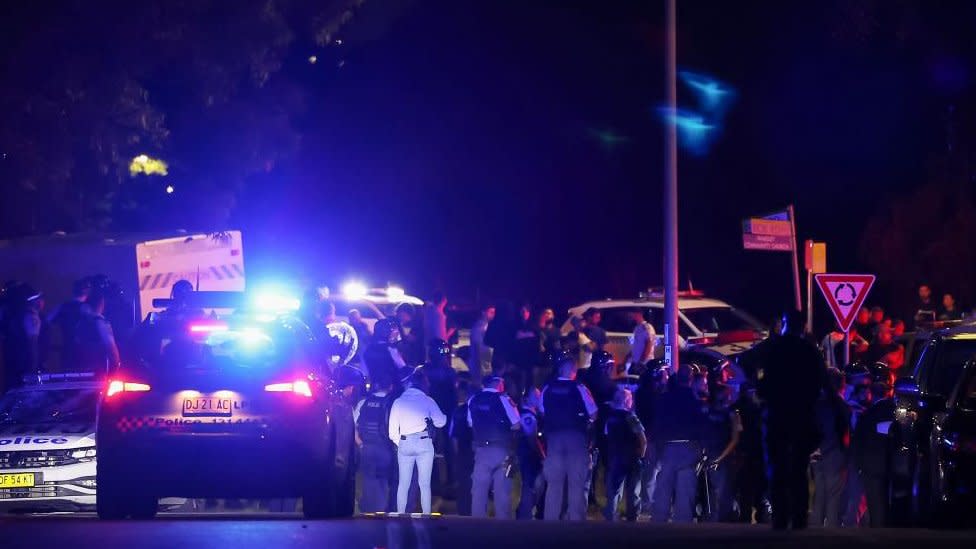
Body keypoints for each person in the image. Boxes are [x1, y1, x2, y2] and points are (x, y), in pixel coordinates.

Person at [755, 309, 825, 530]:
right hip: (801, 415)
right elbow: (822, 381)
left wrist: (761, 391)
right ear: (803, 326)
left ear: (786, 324)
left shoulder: (774, 348)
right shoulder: (809, 350)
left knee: (777, 467)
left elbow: (753, 369)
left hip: (777, 414)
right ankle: (798, 517)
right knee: (798, 469)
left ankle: (781, 516)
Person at [540, 352, 599, 521]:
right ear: (572, 369)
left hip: (554, 439)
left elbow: (542, 411)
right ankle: (576, 521)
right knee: (576, 482)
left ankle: (550, 520)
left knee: (554, 483)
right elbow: (594, 414)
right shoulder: (579, 388)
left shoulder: (547, 388)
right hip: (576, 439)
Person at [651, 364, 708, 523]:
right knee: (686, 487)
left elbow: (657, 423)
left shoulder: (665, 398)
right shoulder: (695, 400)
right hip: (689, 447)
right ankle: (683, 522)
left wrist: (656, 445)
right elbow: (702, 425)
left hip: (668, 446)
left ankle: (659, 519)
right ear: (691, 379)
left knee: (664, 486)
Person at [388, 370, 447, 515]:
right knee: (424, 484)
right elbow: (441, 422)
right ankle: (426, 515)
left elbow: (392, 432)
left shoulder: (398, 402)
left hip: (405, 442)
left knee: (403, 484)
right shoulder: (428, 400)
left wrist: (401, 442)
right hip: (423, 442)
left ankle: (400, 514)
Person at [468, 375, 521, 519]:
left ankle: (477, 525)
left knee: (479, 490)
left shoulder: (473, 399)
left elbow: (471, 424)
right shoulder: (504, 399)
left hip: (481, 450)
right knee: (502, 490)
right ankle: (502, 528)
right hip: (501, 450)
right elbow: (516, 424)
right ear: (498, 383)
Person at [811, 368, 851, 528]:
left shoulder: (816, 403)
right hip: (834, 453)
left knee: (819, 492)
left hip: (817, 453)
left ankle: (815, 529)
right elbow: (843, 431)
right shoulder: (840, 405)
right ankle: (831, 534)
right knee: (833, 495)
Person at [853, 382, 895, 528]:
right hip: (892, 464)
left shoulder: (869, 414)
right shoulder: (894, 413)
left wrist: (858, 464)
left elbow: (858, 441)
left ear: (872, 394)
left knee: (875, 501)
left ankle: (878, 531)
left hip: (871, 466)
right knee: (887, 500)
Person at [355, 372, 397, 513]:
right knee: (383, 480)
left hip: (366, 447)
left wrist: (360, 444)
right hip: (385, 448)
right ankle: (380, 512)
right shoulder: (393, 404)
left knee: (368, 480)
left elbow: (353, 426)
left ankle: (368, 510)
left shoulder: (363, 402)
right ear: (390, 387)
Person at [603, 387, 647, 522]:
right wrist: (642, 454)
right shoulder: (630, 416)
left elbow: (606, 436)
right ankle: (632, 517)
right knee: (633, 489)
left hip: (615, 457)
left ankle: (611, 515)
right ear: (627, 400)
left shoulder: (610, 418)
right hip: (632, 457)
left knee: (614, 490)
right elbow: (642, 439)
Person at [704, 383, 742, 522]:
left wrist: (720, 458)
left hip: (724, 457)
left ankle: (725, 519)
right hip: (711, 455)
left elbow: (735, 439)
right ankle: (716, 519)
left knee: (723, 490)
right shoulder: (710, 412)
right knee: (714, 491)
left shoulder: (732, 414)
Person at [47, 277, 92, 370]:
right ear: (86, 291)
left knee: (67, 376)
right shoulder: (87, 308)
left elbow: (47, 321)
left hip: (66, 348)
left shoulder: (62, 306)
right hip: (83, 350)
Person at [516, 387, 546, 520]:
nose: (539, 399)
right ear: (527, 398)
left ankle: (526, 513)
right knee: (531, 485)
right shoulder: (528, 416)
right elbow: (531, 439)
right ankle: (524, 515)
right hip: (529, 456)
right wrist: (541, 456)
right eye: (536, 396)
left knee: (535, 484)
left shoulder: (531, 414)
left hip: (527, 455)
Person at [74, 288, 121, 373]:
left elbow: (77, 344)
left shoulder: (80, 323)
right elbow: (110, 346)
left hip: (82, 369)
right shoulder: (101, 323)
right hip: (100, 370)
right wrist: (116, 365)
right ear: (101, 304)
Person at [449, 379, 477, 516]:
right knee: (473, 483)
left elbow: (453, 436)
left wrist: (457, 454)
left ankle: (463, 511)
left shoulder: (458, 411)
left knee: (463, 484)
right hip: (474, 451)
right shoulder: (475, 409)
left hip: (462, 451)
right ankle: (473, 511)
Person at [363, 319, 407, 387]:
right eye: (392, 330)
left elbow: (365, 372)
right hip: (391, 389)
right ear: (387, 332)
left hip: (375, 387)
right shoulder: (390, 349)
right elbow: (403, 368)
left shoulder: (368, 349)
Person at [469, 304, 495, 375]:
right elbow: (478, 345)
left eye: (494, 313)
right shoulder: (479, 327)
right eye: (491, 312)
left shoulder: (487, 326)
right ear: (483, 313)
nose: (493, 315)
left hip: (484, 364)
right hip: (479, 365)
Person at [630, 309, 656, 373]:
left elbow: (649, 344)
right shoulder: (637, 328)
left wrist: (642, 361)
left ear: (639, 314)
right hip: (637, 362)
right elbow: (636, 346)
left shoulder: (646, 327)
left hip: (645, 363)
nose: (632, 315)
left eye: (634, 313)